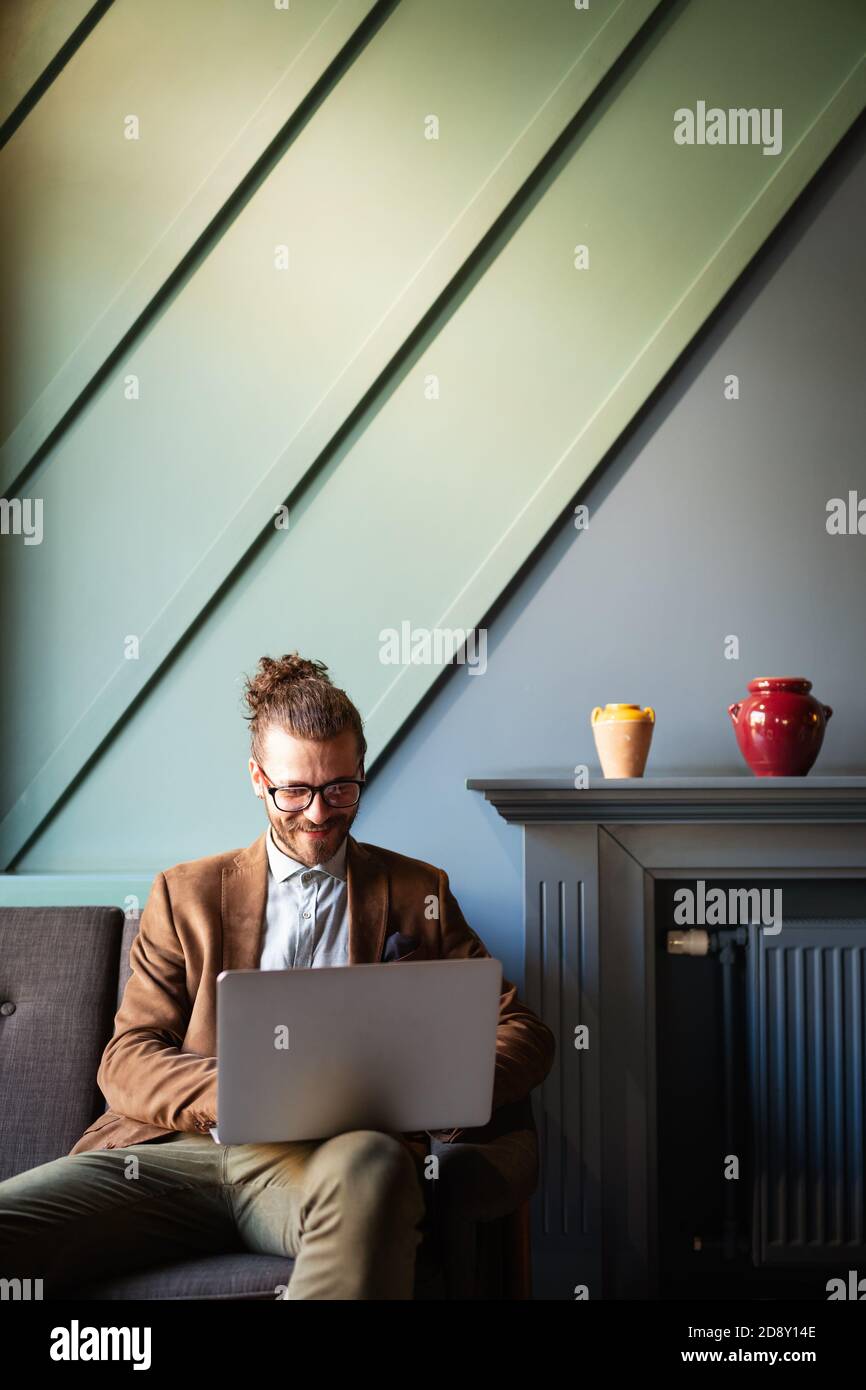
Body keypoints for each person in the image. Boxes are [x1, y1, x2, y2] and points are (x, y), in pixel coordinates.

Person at [0, 654, 555, 1300]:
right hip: (170, 1156)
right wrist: (245, 1090)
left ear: (360, 773)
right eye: (294, 791)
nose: (318, 813)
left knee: (376, 1170)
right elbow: (126, 1061)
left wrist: (436, 1085)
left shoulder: (416, 892)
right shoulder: (185, 895)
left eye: (340, 788)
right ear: (257, 779)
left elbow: (523, 1030)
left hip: (329, 1162)